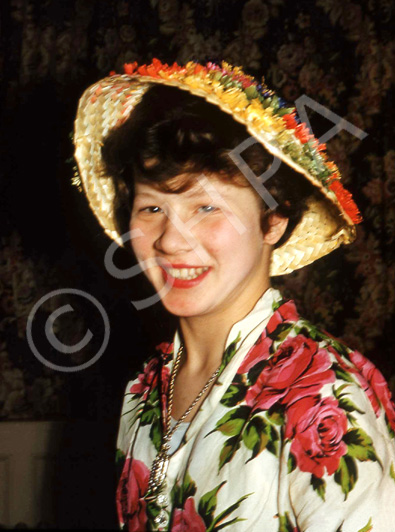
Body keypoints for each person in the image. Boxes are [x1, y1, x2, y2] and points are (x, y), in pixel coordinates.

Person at [73, 59, 395, 531]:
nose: (170, 240)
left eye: (206, 206)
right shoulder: (143, 389)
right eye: (152, 207)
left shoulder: (325, 395)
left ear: (274, 221)